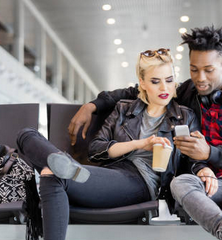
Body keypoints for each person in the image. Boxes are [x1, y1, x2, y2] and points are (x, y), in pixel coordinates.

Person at [68, 26, 222, 240]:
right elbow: (138, 89)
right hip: (214, 182)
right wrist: (92, 105)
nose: (200, 78)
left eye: (208, 70)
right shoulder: (186, 91)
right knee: (180, 184)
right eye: (194, 69)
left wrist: (209, 154)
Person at [17, 48, 199, 240]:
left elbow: (191, 160)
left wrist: (204, 169)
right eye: (156, 81)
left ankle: (63, 166)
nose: (164, 88)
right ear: (143, 83)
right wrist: (140, 144)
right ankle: (62, 164)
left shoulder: (185, 116)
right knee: (26, 135)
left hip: (141, 181)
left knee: (53, 176)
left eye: (169, 80)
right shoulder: (123, 109)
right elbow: (96, 150)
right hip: (112, 171)